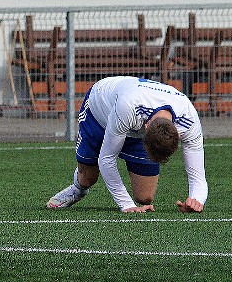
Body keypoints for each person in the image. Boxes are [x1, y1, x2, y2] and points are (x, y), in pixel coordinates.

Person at [46, 76, 208, 213]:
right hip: (99, 110)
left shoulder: (189, 120)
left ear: (179, 134)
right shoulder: (129, 107)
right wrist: (127, 205)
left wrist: (196, 200)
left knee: (145, 197)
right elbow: (107, 158)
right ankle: (77, 189)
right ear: (145, 129)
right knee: (88, 178)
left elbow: (198, 176)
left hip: (131, 118)